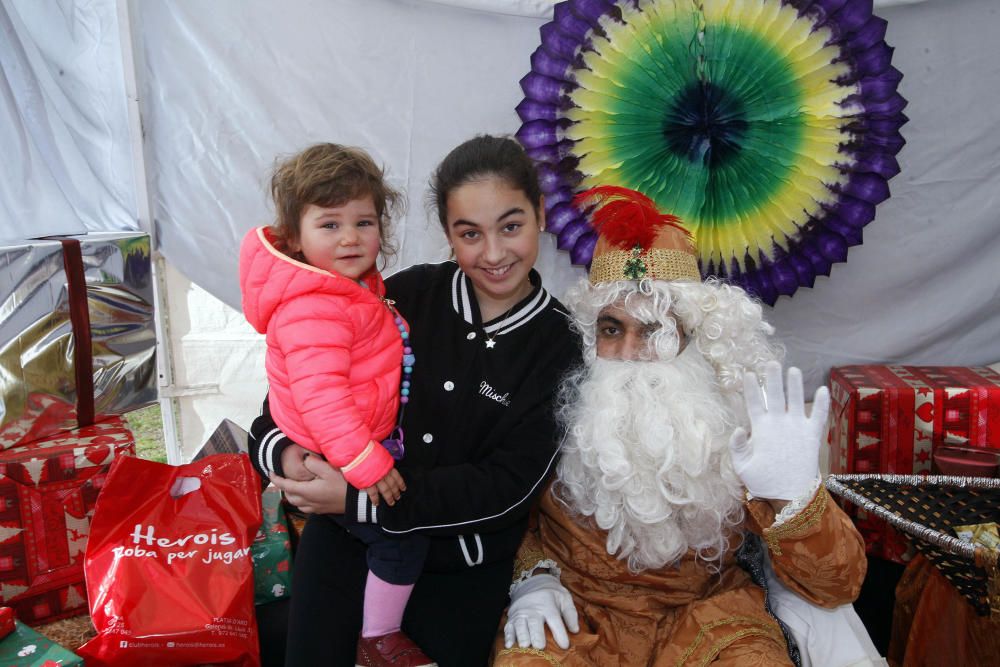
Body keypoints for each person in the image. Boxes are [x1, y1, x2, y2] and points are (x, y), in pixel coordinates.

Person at [493, 186, 872, 666]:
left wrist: (796, 496)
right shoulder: (561, 409)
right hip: (577, 617)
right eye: (612, 329)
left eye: (655, 331)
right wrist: (534, 579)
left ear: (696, 339)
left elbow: (838, 584)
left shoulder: (738, 423)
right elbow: (503, 516)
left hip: (710, 618)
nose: (630, 351)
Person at [247, 135, 581, 666]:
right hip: (342, 546)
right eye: (469, 233)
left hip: (460, 570)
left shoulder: (560, 343)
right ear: (448, 234)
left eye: (511, 226)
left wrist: (359, 500)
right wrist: (291, 458)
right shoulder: (402, 296)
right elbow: (283, 407)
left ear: (541, 213)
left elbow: (509, 488)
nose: (493, 253)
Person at [239, 143, 434, 665]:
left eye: (363, 222)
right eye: (330, 225)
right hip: (336, 455)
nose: (350, 237)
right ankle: (379, 639)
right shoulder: (315, 307)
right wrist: (366, 463)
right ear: (295, 240)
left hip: (341, 451)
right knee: (402, 539)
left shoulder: (355, 291)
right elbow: (321, 399)